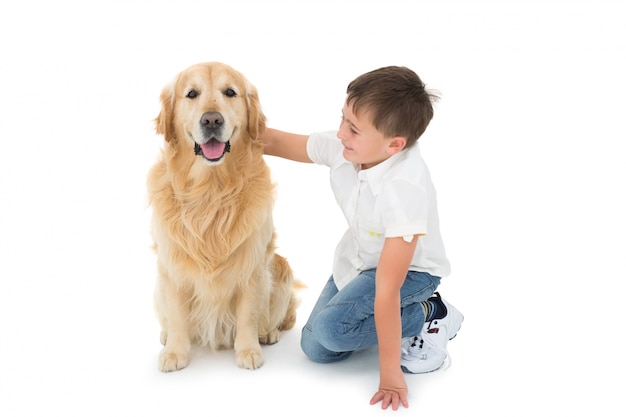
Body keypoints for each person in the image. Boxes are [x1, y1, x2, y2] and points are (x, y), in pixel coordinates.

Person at [260, 66, 463, 411]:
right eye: (343, 119)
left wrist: (389, 376)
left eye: (353, 128)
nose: (340, 133)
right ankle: (393, 319)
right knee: (316, 348)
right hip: (358, 262)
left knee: (331, 332)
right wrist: (212, 129)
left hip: (410, 274)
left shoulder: (403, 188)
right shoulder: (352, 148)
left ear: (393, 145)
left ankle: (430, 312)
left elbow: (386, 288)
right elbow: (275, 141)